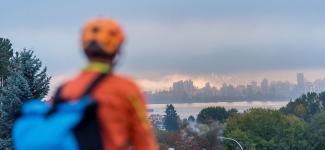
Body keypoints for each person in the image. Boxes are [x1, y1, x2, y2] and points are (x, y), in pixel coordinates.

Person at [60, 18, 158, 150]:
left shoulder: (65, 89)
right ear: (117, 51)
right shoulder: (127, 89)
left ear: (84, 50)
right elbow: (144, 141)